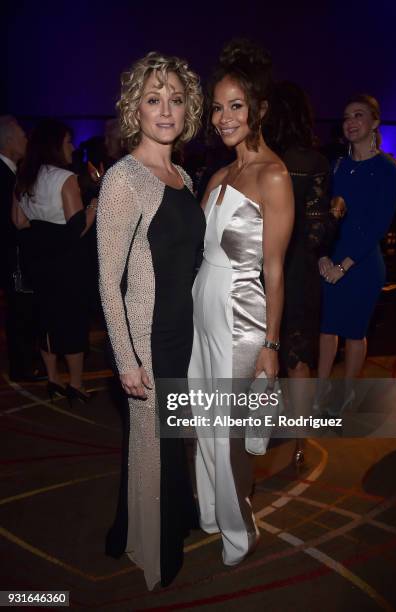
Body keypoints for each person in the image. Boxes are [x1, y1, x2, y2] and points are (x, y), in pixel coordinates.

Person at [97, 52, 204, 589]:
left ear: (189, 109)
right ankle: (149, 546)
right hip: (146, 337)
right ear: (135, 109)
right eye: (154, 98)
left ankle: (170, 521)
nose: (166, 110)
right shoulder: (123, 179)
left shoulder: (181, 174)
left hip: (181, 333)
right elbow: (107, 282)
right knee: (151, 443)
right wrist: (126, 359)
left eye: (176, 99)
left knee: (171, 440)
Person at [188, 40, 294, 565]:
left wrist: (271, 346)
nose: (223, 116)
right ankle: (211, 511)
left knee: (228, 435)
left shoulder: (272, 176)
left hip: (240, 316)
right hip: (202, 311)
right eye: (217, 106)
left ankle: (240, 530)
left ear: (258, 110)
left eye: (235, 106)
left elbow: (275, 270)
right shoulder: (219, 175)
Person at [265, 82, 342, 461]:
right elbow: (315, 235)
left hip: (259, 269)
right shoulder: (312, 163)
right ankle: (298, 441)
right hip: (297, 271)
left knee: (262, 351)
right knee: (298, 356)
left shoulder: (260, 160)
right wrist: (335, 213)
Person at [318, 94, 396, 389]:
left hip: (362, 264)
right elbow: (321, 217)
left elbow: (379, 224)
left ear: (375, 122)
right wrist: (323, 257)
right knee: (326, 329)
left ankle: (346, 396)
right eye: (346, 117)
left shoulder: (387, 169)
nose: (350, 122)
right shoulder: (336, 166)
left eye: (359, 115)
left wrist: (344, 265)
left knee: (354, 332)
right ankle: (319, 394)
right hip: (331, 260)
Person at [12, 118, 96, 402]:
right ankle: (75, 384)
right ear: (56, 145)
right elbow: (75, 228)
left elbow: (19, 221)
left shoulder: (24, 176)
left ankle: (52, 380)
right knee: (71, 321)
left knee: (45, 320)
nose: (72, 146)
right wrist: (94, 207)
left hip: (38, 261)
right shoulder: (65, 178)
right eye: (68, 141)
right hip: (67, 263)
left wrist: (42, 230)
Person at [0, 115, 41, 382]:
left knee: (21, 309)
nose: (27, 140)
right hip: (10, 253)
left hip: (15, 253)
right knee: (18, 310)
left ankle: (25, 363)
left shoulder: (14, 172)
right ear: (9, 141)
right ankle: (22, 366)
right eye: (23, 136)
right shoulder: (4, 175)